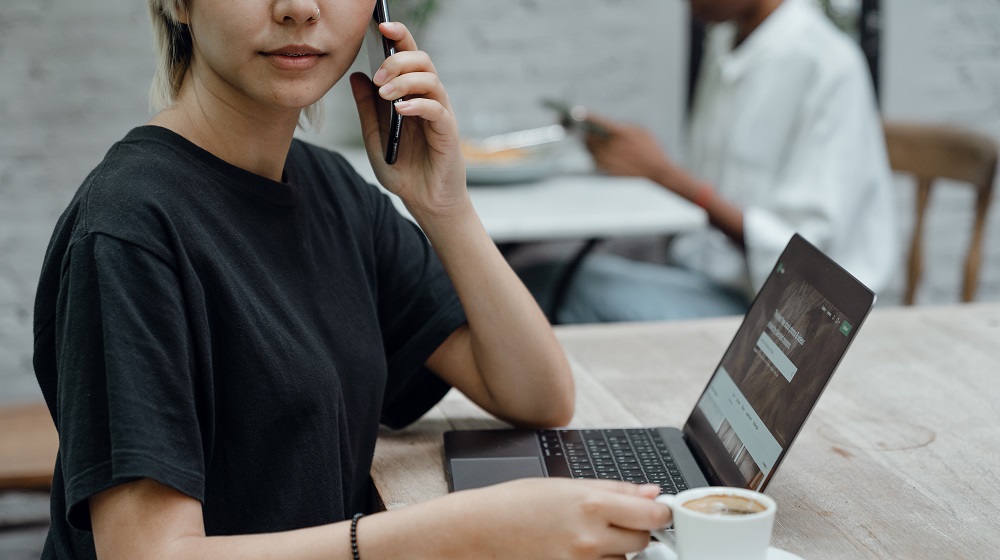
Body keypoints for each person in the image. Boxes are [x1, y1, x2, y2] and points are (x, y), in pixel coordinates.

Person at [31, 1, 672, 558]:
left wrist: (444, 209)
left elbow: (536, 393)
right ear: (180, 4)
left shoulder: (329, 188)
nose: (299, 8)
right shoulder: (129, 229)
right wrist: (453, 536)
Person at [521, 0, 897, 323]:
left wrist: (664, 175)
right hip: (707, 275)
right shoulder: (725, 44)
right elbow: (711, 194)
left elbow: (808, 262)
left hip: (781, 316)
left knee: (546, 284)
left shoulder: (828, 64)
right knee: (532, 264)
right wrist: (639, 162)